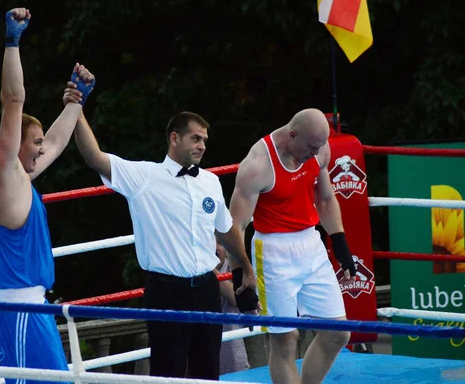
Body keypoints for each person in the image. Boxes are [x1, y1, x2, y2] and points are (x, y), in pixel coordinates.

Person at [64, 86, 258, 379]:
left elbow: (226, 229)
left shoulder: (210, 182)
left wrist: (245, 267)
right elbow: (95, 157)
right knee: (168, 373)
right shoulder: (145, 177)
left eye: (204, 140)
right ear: (174, 138)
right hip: (166, 291)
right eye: (195, 138)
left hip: (206, 288)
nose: (202, 145)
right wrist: (75, 109)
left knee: (208, 372)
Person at [0, 8, 94, 384]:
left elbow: (59, 143)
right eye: (35, 143)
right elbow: (13, 101)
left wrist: (77, 101)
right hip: (16, 308)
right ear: (15, 144)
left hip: (31, 304)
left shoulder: (23, 176)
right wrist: (12, 42)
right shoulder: (3, 174)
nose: (40, 150)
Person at [229, 108, 357, 384]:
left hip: (311, 243)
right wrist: (241, 276)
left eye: (320, 145)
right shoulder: (258, 165)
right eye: (311, 146)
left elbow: (324, 199)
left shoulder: (320, 151)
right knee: (286, 340)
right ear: (292, 134)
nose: (316, 152)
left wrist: (340, 242)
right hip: (273, 251)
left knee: (338, 332)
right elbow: (235, 226)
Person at [214, 242, 250, 375]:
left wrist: (210, 269)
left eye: (219, 243)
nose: (215, 248)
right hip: (201, 341)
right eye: (211, 241)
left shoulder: (235, 267)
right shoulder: (192, 269)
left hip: (231, 340)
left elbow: (235, 297)